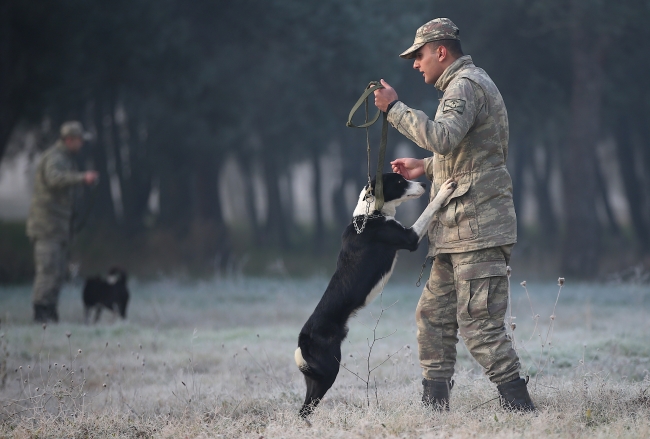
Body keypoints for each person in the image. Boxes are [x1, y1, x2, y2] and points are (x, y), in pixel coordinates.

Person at [373, 18, 534, 411]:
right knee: (433, 317)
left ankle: (521, 409)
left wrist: (394, 108)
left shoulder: (464, 86)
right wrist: (425, 168)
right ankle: (435, 409)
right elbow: (471, 154)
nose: (415, 64)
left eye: (419, 55)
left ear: (440, 52)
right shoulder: (467, 84)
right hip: (457, 230)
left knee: (480, 325)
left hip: (477, 230)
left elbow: (444, 138)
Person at [26, 121, 98, 323]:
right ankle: (41, 315)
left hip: (57, 228)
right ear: (69, 140)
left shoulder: (65, 159)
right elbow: (54, 179)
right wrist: (82, 178)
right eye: (79, 140)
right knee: (48, 272)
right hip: (47, 227)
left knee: (56, 274)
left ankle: (50, 313)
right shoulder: (55, 158)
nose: (81, 144)